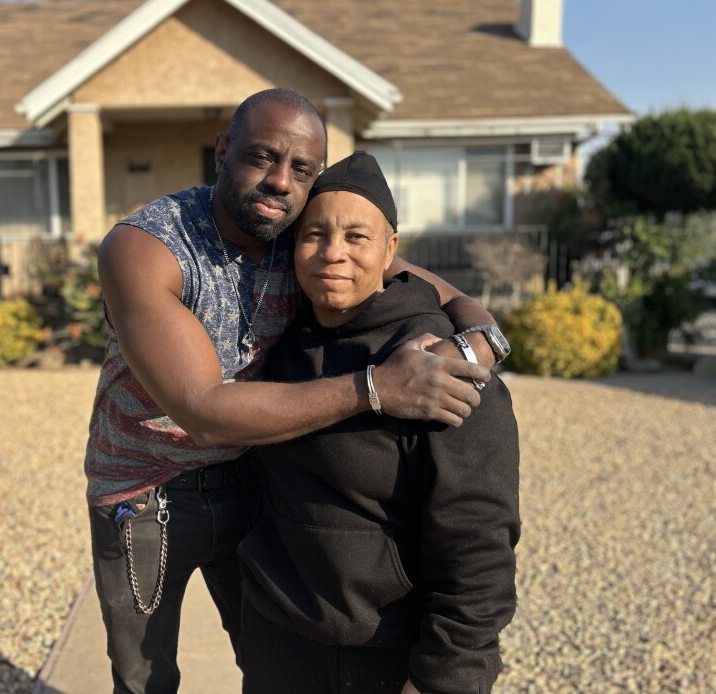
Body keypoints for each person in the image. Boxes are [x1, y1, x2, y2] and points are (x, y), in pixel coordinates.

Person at [86, 88, 503, 694]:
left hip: (254, 477)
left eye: (302, 170)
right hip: (145, 493)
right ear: (222, 151)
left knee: (264, 655)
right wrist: (376, 387)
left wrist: (485, 335)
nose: (280, 181)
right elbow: (202, 412)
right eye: (262, 157)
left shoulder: (303, 234)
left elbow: (420, 280)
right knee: (145, 677)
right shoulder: (147, 246)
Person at [237, 151, 520, 694]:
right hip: (278, 643)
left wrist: (445, 680)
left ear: (392, 249)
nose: (332, 253)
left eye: (356, 237)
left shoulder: (437, 367)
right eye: (314, 234)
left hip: (385, 657)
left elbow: (478, 554)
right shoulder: (282, 345)